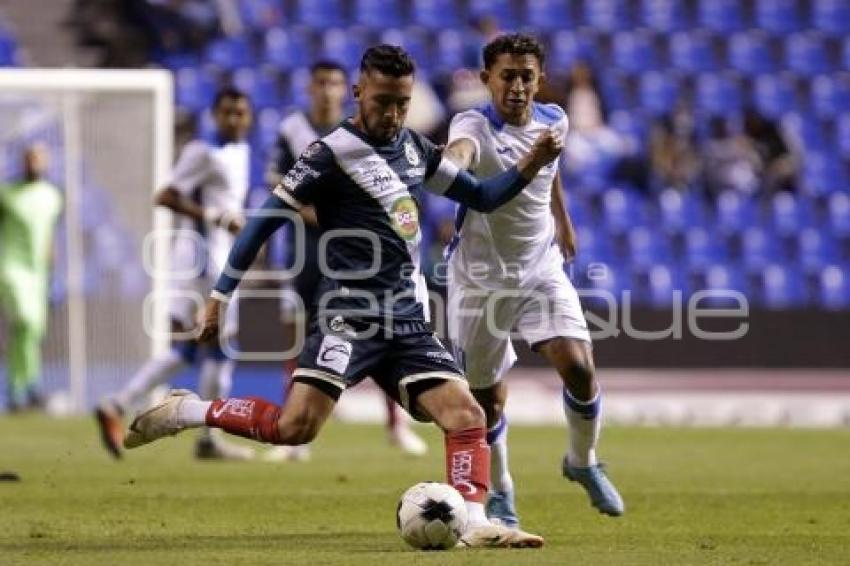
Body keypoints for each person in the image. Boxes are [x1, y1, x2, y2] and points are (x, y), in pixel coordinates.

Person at [123, 44, 562, 548]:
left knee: (466, 415)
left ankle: (477, 520)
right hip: (346, 316)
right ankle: (187, 411)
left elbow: (481, 196)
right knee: (297, 428)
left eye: (402, 103)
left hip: (404, 318)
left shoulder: (417, 149)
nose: (393, 115)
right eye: (382, 102)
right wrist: (221, 296)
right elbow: (264, 221)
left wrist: (529, 166)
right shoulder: (329, 153)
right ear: (359, 93)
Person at [442, 33, 625, 528]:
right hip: (479, 279)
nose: (517, 85)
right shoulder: (472, 125)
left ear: (540, 79)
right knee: (487, 398)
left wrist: (563, 220)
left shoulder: (555, 119)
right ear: (487, 80)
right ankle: (501, 489)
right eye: (507, 75)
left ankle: (582, 462)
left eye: (527, 76)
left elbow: (551, 169)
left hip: (540, 266)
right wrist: (449, 164)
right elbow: (459, 155)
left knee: (580, 367)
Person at [265, 59, 428, 462]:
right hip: (306, 243)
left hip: (359, 250)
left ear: (347, 89)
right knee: (299, 329)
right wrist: (318, 214)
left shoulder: (362, 133)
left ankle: (396, 425)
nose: (327, 90)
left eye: (334, 83)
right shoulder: (293, 130)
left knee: (382, 323)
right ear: (310, 87)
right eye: (320, 82)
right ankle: (295, 427)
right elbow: (276, 182)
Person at [95, 88, 255, 461]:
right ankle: (207, 439)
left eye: (241, 112)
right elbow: (165, 195)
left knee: (195, 349)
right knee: (218, 348)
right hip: (202, 262)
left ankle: (118, 404)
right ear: (215, 115)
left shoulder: (241, 151)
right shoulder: (202, 151)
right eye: (228, 112)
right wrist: (213, 218)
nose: (234, 119)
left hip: (222, 258)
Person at [0, 144, 63, 412]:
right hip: (11, 267)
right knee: (26, 320)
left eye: (39, 158)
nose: (34, 163)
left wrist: (52, 268)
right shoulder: (7, 195)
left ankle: (20, 389)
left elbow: (47, 235)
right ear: (22, 162)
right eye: (29, 158)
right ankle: (28, 388)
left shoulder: (52, 196)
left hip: (39, 273)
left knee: (32, 331)